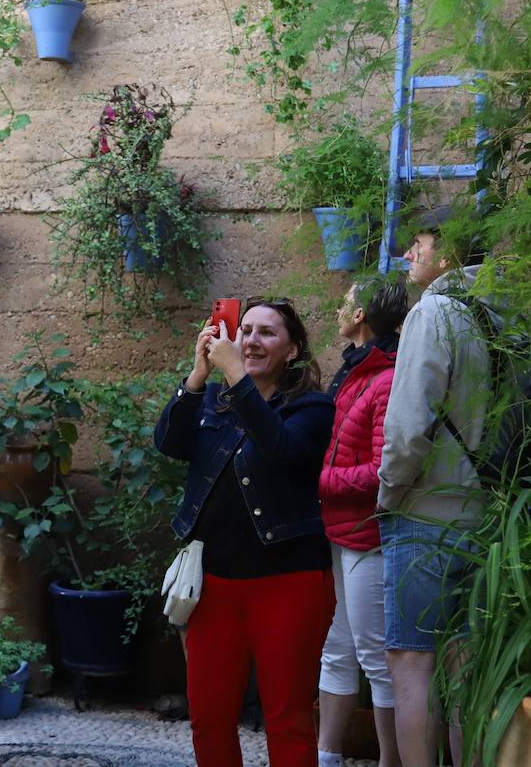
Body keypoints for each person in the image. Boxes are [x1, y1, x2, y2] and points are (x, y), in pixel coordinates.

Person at [155, 298, 335, 767]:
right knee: (209, 717)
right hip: (214, 584)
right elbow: (170, 443)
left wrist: (235, 374)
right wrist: (197, 375)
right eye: (246, 329)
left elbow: (282, 450)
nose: (251, 341)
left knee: (287, 718)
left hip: (288, 583)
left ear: (292, 349)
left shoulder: (313, 408)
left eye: (266, 333)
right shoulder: (214, 399)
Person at [377, 206, 491, 767]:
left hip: (426, 512)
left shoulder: (435, 313)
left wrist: (389, 492)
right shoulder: (501, 315)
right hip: (489, 513)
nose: (407, 256)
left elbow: (407, 424)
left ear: (446, 255)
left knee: (412, 661)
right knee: (464, 662)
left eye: (416, 246)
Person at [318, 278, 409, 767]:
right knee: (336, 650)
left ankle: (390, 761)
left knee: (376, 659)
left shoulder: (386, 378)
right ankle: (327, 756)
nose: (339, 307)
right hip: (338, 532)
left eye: (346, 302)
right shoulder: (353, 372)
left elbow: (382, 471)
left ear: (361, 317)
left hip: (367, 537)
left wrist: (322, 481)